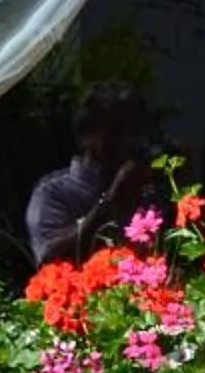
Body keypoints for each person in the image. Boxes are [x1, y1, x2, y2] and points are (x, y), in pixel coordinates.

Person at [27, 83, 155, 268]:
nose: (127, 144)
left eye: (135, 134)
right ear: (85, 135)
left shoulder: (148, 192)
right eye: (116, 132)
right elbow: (50, 259)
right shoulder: (53, 192)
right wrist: (110, 202)